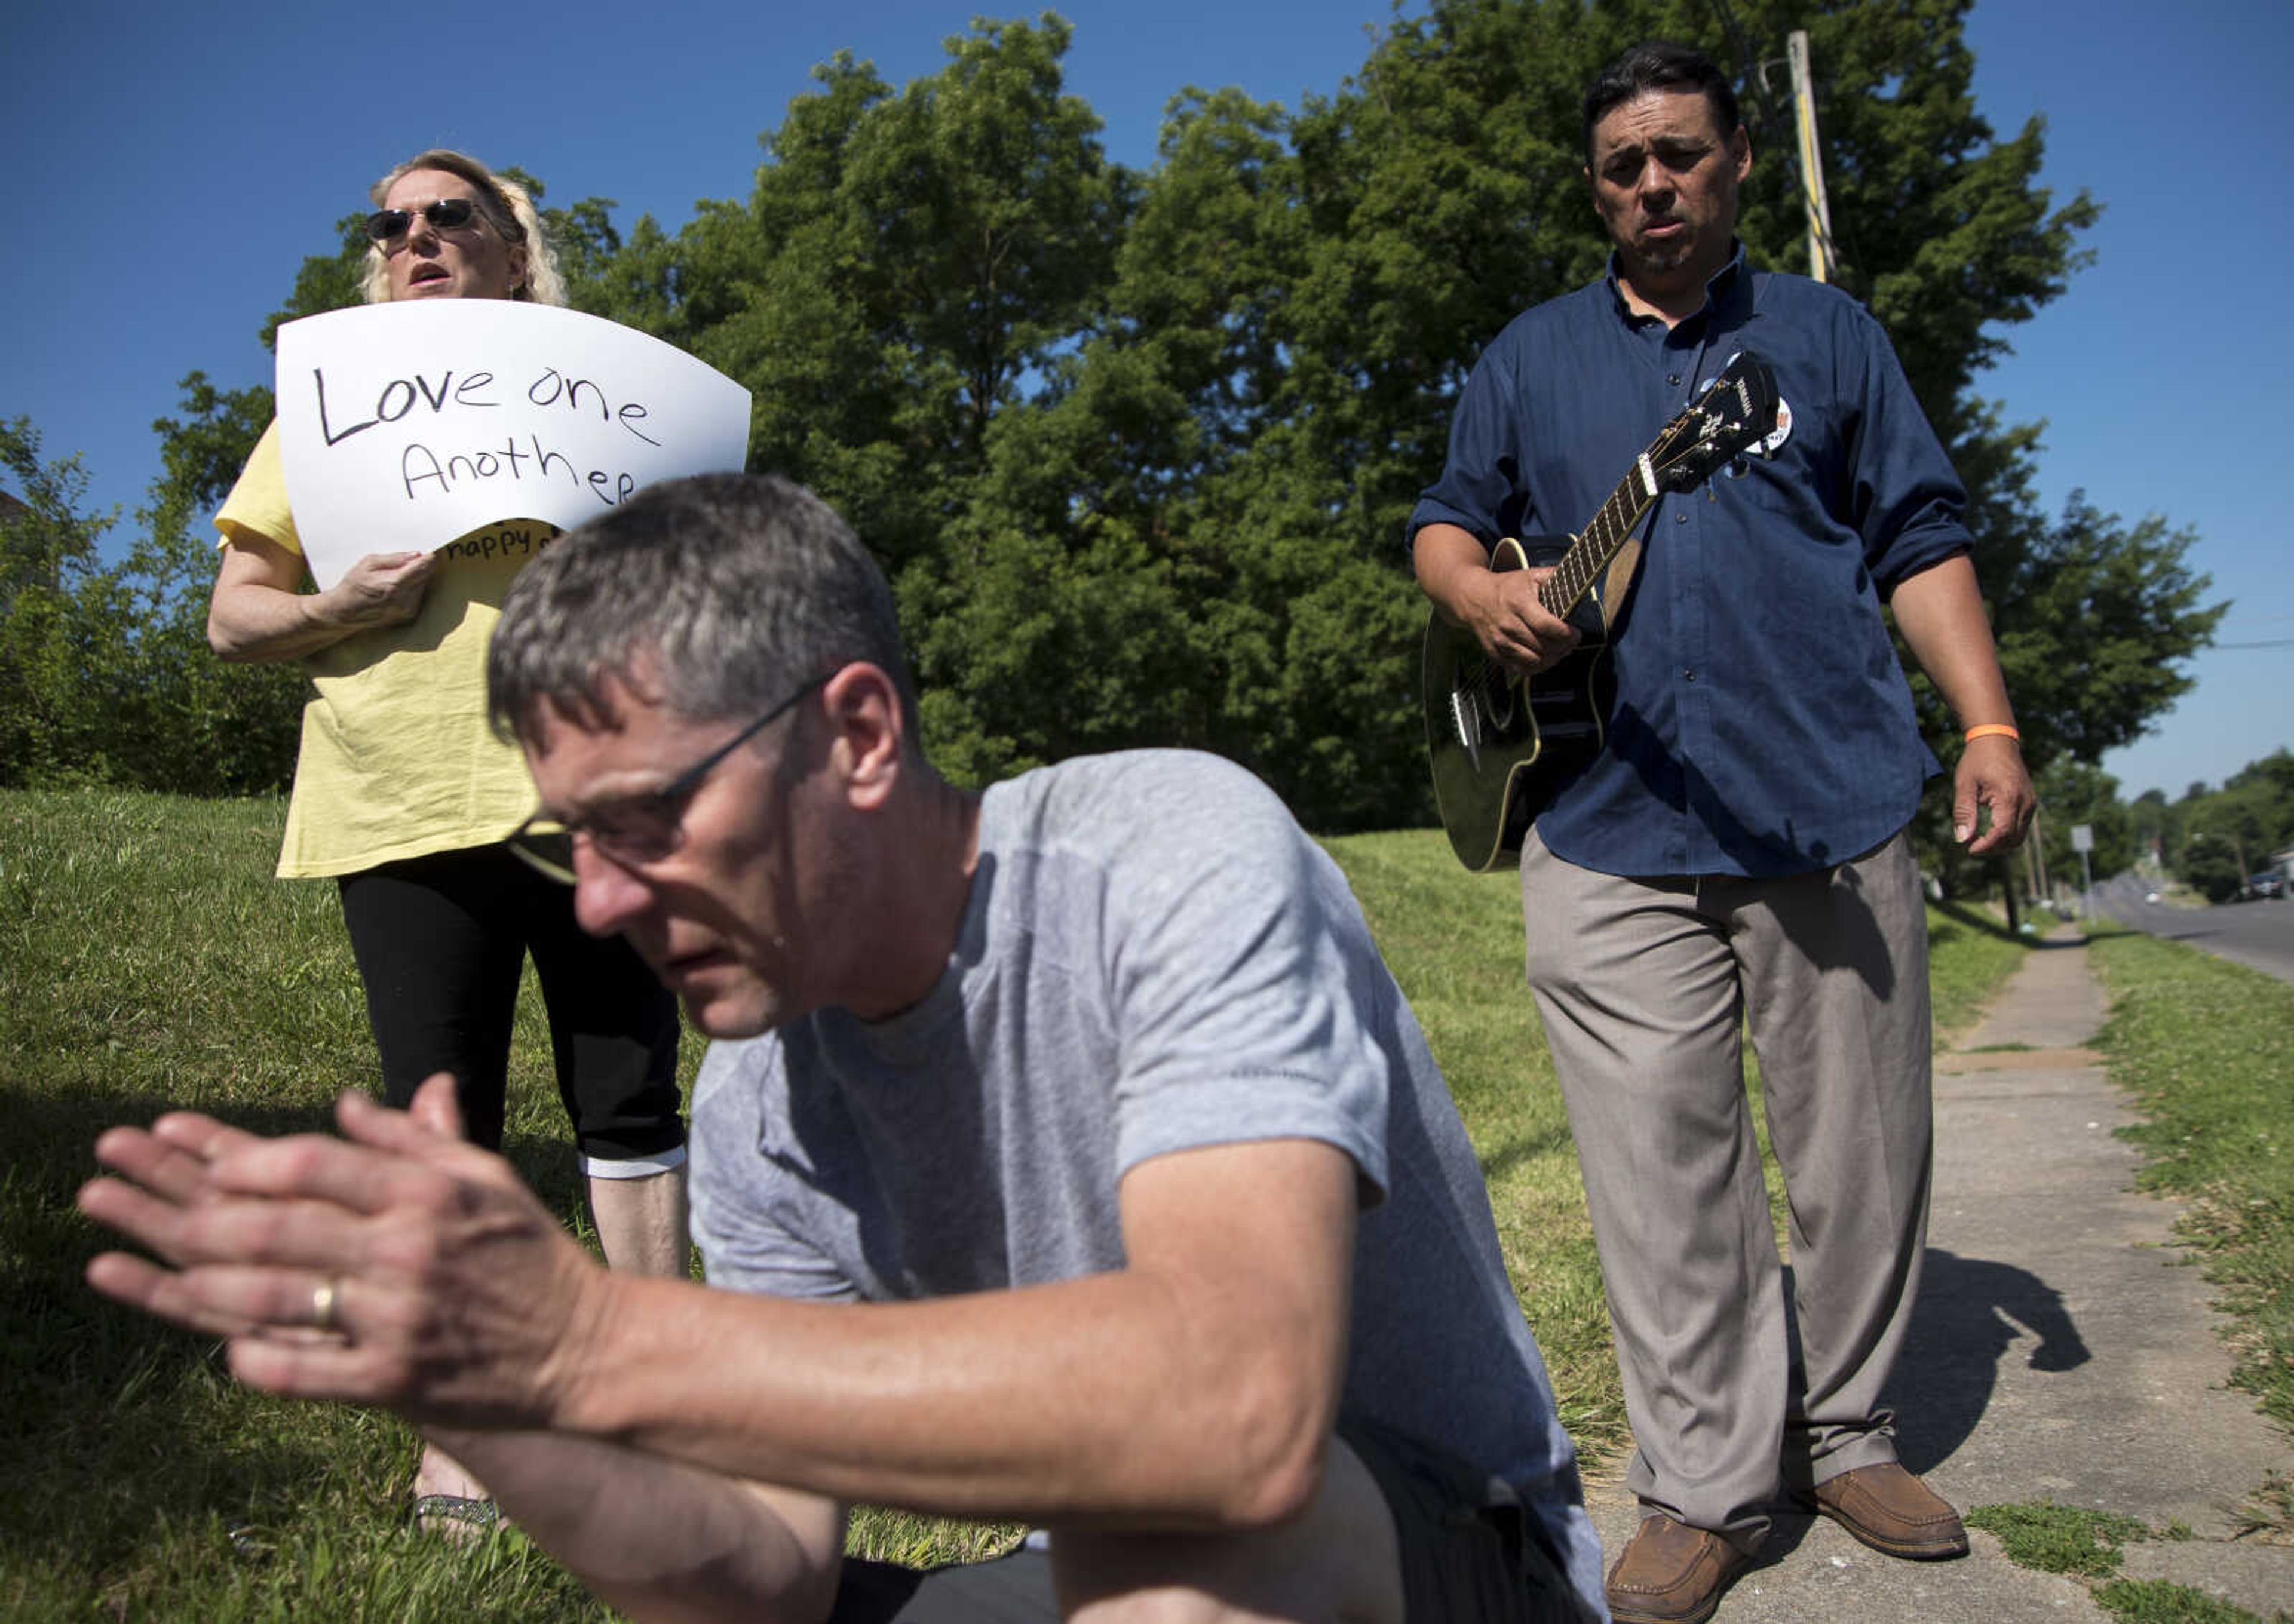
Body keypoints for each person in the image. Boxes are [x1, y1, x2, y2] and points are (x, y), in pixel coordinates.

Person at [84, 471, 1611, 1623]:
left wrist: (595, 1336)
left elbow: (1236, 1416)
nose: (603, 901)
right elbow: (764, 1571)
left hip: (1456, 1560)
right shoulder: (760, 1097)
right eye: (573, 843)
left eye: (650, 818)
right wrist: (489, 1395)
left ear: (860, 734)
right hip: (1093, 1564)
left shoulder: (1163, 848)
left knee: (1172, 1567)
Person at [1407, 41, 2035, 1624]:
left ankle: (1850, 1433)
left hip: (1825, 803)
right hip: (1602, 823)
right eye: (1623, 166)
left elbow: (1921, 535)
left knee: (1857, 1160)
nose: (1653, 187)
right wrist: (1481, 589)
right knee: (1658, 1179)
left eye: (1680, 155)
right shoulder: (1530, 357)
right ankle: (1703, 1486)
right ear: (1596, 185)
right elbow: (1442, 519)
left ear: (1741, 158)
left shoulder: (1823, 339)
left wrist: (1987, 721)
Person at [202, 149, 688, 1531]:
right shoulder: (330, 408)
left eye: (449, 214)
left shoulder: (609, 396)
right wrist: (341, 604)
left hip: (595, 793)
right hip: (404, 796)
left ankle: (659, 1403)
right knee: (444, 1117)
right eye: (392, 222)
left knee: (630, 1096)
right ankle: (465, 1437)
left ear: (513, 248)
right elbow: (235, 616)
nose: (417, 234)